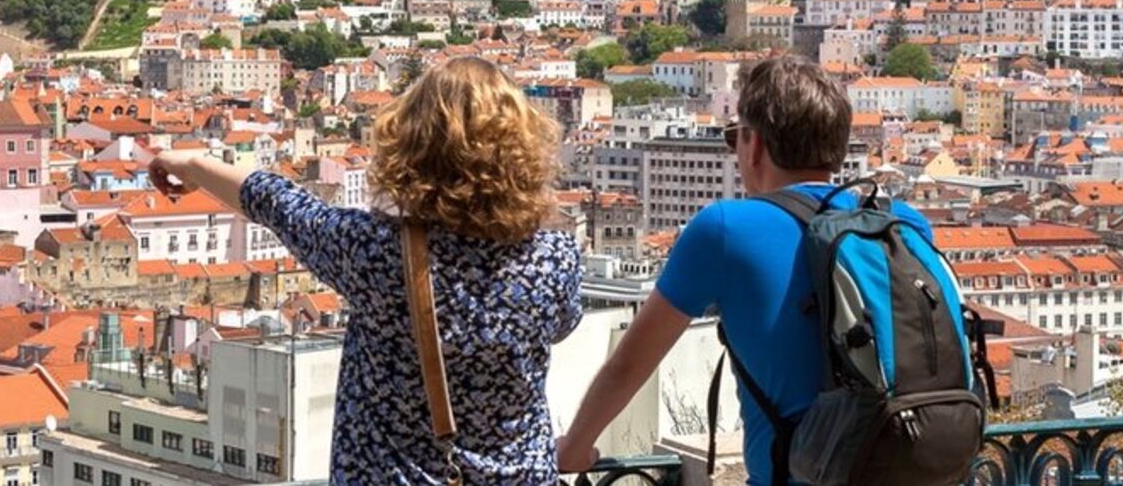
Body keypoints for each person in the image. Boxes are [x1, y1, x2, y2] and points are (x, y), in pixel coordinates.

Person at [150, 56, 583, 484]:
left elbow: (279, 203)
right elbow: (561, 326)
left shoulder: (373, 252)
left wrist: (193, 165)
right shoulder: (553, 259)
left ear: (411, 144)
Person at [556, 55, 933, 485]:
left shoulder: (726, 229)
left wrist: (574, 448)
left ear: (753, 145)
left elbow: (629, 365)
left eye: (734, 137)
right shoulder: (903, 223)